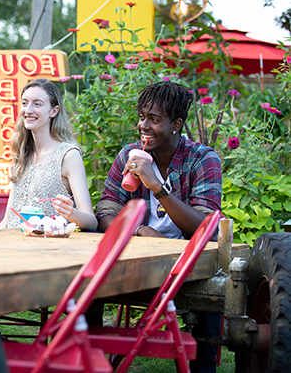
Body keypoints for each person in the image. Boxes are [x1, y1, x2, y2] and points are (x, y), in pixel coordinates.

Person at [95, 81, 222, 373]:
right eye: (142, 117)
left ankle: (202, 366)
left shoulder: (202, 159)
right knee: (91, 249)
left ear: (176, 124)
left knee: (210, 286)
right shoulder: (130, 155)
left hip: (186, 263)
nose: (144, 126)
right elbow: (106, 210)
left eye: (154, 119)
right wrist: (138, 231)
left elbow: (206, 226)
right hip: (134, 257)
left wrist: (157, 186)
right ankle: (93, 357)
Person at [0, 78, 97, 231]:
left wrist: (72, 214)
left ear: (54, 111)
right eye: (24, 103)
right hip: (12, 248)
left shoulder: (68, 155)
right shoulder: (22, 152)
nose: (28, 110)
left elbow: (91, 221)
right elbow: (7, 220)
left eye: (37, 104)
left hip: (48, 250)